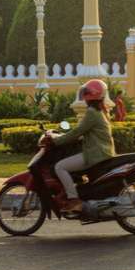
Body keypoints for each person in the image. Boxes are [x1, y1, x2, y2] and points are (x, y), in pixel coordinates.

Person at [48, 79, 116, 212]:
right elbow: (82, 131)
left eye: (86, 92)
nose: (84, 95)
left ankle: (74, 199)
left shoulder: (92, 112)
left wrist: (55, 141)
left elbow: (77, 131)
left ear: (92, 94)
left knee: (60, 167)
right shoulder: (100, 110)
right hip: (101, 151)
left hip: (96, 153)